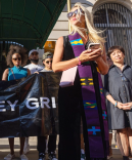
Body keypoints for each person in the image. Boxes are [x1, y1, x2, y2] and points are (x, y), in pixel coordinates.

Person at [52, 3, 109, 160]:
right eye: (70, 13)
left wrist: (97, 57)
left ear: (86, 16)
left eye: (77, 12)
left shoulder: (97, 41)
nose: (73, 15)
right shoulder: (63, 40)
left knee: (95, 129)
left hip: (93, 91)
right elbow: (55, 66)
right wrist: (79, 59)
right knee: (69, 131)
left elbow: (104, 70)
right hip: (70, 91)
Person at [2, 45, 30, 160]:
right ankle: (12, 152)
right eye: (15, 59)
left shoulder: (27, 71)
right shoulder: (7, 71)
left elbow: (32, 85)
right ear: (11, 60)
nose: (17, 61)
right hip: (11, 102)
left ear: (22, 59)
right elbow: (2, 86)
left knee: (22, 128)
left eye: (19, 58)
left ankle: (21, 153)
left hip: (23, 101)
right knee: (11, 128)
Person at [104, 46, 132, 160]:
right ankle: (125, 156)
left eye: (119, 52)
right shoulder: (107, 71)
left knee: (131, 130)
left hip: (131, 106)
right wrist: (115, 103)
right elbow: (104, 90)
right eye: (114, 54)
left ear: (124, 54)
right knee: (121, 131)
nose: (117, 55)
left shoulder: (130, 69)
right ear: (110, 57)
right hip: (116, 107)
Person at [36, 52, 57, 160]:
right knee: (43, 130)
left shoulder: (58, 72)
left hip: (54, 106)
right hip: (43, 105)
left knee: (53, 129)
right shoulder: (39, 74)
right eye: (47, 61)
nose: (50, 63)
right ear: (43, 62)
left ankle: (52, 152)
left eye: (52, 61)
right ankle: (41, 152)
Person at [23, 49, 44, 154]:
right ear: (29, 57)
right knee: (28, 121)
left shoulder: (43, 68)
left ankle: (42, 146)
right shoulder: (26, 69)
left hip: (41, 98)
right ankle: (26, 143)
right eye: (33, 54)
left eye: (36, 54)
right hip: (29, 98)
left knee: (40, 122)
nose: (35, 56)